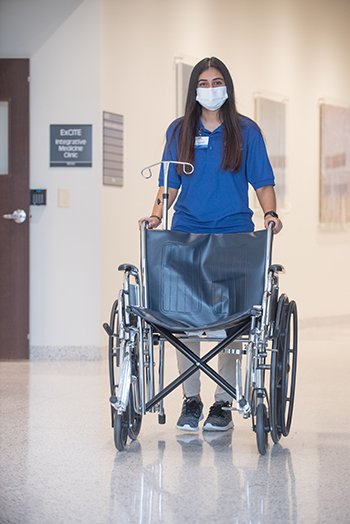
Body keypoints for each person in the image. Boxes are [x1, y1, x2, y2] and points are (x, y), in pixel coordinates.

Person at [139, 56, 283, 433]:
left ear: (227, 86)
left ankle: (223, 403)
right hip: (186, 232)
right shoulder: (179, 130)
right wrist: (155, 216)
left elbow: (263, 183)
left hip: (234, 236)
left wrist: (270, 215)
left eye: (216, 82)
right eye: (202, 83)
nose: (210, 89)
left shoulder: (246, 131)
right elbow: (168, 184)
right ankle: (191, 398)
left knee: (231, 323)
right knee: (185, 321)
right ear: (193, 90)